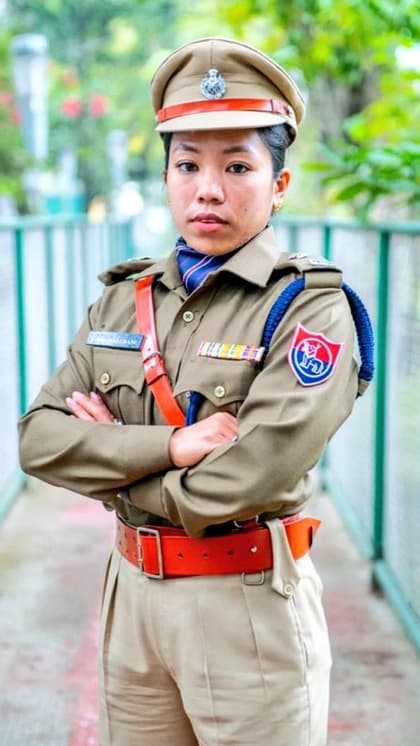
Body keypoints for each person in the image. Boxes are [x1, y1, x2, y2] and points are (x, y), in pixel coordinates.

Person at [18, 37, 373, 746]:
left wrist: (110, 461)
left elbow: (248, 477)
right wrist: (174, 446)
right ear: (167, 176)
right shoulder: (124, 301)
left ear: (279, 183)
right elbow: (39, 439)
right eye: (187, 165)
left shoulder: (308, 309)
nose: (207, 188)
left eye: (237, 166)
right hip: (131, 601)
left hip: (247, 609)